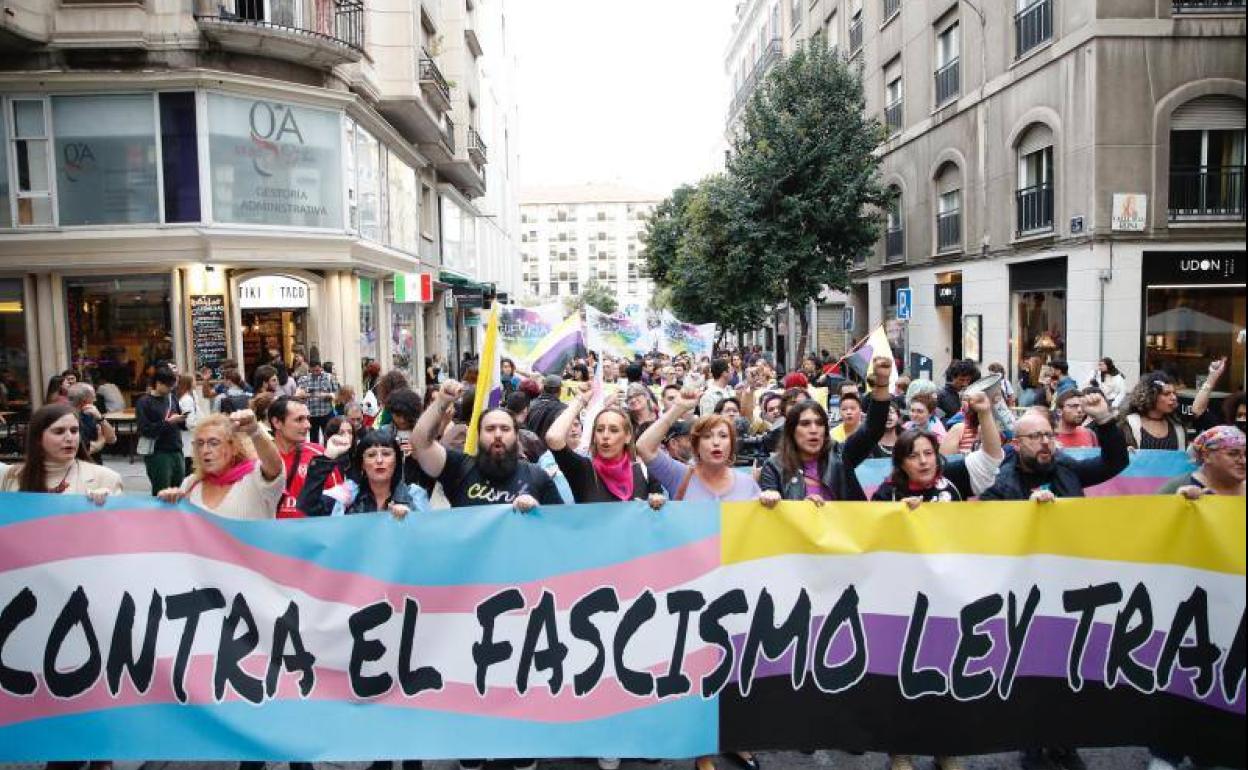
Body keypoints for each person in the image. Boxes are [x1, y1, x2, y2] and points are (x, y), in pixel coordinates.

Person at [635, 390, 760, 770]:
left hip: (737, 593)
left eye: (723, 436)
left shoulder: (747, 485)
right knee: (698, 672)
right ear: (696, 444)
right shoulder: (680, 476)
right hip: (691, 595)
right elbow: (644, 446)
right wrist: (678, 408)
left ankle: (737, 741)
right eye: (708, 436)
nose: (716, 443)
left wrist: (771, 503)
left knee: (736, 672)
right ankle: (703, 751)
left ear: (733, 445)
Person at [759, 357, 893, 505]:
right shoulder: (774, 467)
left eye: (819, 423)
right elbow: (772, 514)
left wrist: (882, 383)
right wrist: (793, 505)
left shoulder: (841, 455)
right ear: (791, 430)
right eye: (805, 424)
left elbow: (873, 429)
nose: (814, 430)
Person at [412, 379, 562, 511]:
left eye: (505, 429)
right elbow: (421, 444)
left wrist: (538, 510)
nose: (498, 434)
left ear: (517, 436)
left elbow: (560, 525)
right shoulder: (458, 468)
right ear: (478, 436)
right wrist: (442, 401)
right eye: (490, 429)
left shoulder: (537, 477)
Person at [981, 389, 1126, 502]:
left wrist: (1104, 420)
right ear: (1017, 444)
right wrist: (1026, 508)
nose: (1045, 441)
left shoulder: (1066, 469)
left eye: (1049, 435)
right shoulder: (996, 482)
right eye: (1035, 436)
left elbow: (1115, 463)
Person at [545, 380, 665, 507]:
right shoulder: (583, 470)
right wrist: (580, 400)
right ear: (594, 437)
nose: (605, 436)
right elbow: (553, 437)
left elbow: (660, 511)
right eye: (600, 430)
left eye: (614, 430)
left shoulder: (645, 472)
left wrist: (656, 504)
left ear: (627, 437)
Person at [872, 391, 1004, 504]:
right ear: (901, 463)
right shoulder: (888, 494)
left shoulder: (952, 476)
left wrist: (985, 413)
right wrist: (897, 512)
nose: (923, 461)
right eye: (913, 456)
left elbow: (990, 458)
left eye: (928, 453)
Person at [156, 411, 285, 520]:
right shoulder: (190, 484)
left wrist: (255, 432)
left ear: (234, 448)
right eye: (200, 444)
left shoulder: (256, 479)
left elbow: (275, 468)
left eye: (214, 443)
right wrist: (169, 502)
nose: (205, 450)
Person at [1, 404, 122, 502]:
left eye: (74, 431)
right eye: (59, 431)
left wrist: (109, 506)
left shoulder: (106, 478)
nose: (69, 438)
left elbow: (120, 522)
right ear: (38, 438)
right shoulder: (10, 476)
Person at [297, 427, 427, 518]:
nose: (379, 460)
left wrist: (411, 517)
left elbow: (426, 535)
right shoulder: (347, 496)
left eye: (386, 454)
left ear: (396, 461)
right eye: (371, 455)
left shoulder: (414, 495)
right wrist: (327, 457)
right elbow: (307, 505)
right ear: (362, 464)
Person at [269, 395, 339, 518]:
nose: (308, 425)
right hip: (270, 529)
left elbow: (338, 502)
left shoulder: (321, 455)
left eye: (308, 419)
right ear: (277, 422)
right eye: (299, 419)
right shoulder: (258, 458)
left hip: (312, 529)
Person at [136, 367, 187, 495]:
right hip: (158, 452)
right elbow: (145, 429)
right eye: (168, 385)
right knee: (162, 491)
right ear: (158, 383)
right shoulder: (144, 402)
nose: (171, 389)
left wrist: (182, 419)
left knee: (179, 491)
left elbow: (180, 422)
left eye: (173, 386)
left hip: (177, 449)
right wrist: (168, 423)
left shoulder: (172, 398)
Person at [1159, 425, 1245, 498]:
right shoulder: (1178, 487)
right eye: (1233, 454)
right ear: (1206, 456)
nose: (1243, 461)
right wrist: (1177, 502)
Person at [1121, 372, 1186, 451]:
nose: (1173, 398)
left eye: (1174, 393)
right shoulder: (1131, 424)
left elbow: (1183, 454)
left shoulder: (1177, 426)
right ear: (1151, 396)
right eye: (1166, 394)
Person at [67, 382, 116, 458]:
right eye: (93, 397)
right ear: (84, 401)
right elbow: (84, 450)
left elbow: (112, 439)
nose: (95, 400)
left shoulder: (91, 413)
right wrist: (101, 441)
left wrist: (101, 419)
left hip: (94, 462)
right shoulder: (69, 419)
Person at [297, 358, 339, 444]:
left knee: (328, 436)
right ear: (310, 369)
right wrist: (306, 394)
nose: (315, 372)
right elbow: (298, 395)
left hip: (326, 412)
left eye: (317, 370)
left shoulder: (329, 377)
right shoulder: (304, 379)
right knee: (313, 438)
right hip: (312, 414)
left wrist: (327, 395)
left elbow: (337, 394)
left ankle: (328, 451)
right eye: (313, 371)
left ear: (321, 368)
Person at [175, 373, 204, 475]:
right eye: (194, 380)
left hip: (190, 437)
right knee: (190, 467)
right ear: (189, 383)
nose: (195, 382)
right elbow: (190, 422)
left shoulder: (190, 396)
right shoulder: (187, 399)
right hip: (189, 437)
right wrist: (200, 427)